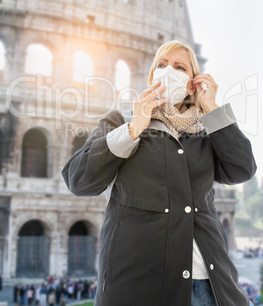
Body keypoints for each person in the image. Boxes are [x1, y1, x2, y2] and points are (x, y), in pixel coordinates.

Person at [62, 40, 257, 306]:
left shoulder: (206, 130)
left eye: (179, 67)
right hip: (142, 286)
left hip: (211, 286)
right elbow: (78, 180)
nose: (169, 71)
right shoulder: (120, 120)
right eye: (162, 65)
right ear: (152, 76)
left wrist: (212, 109)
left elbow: (242, 169)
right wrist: (133, 128)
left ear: (193, 82)